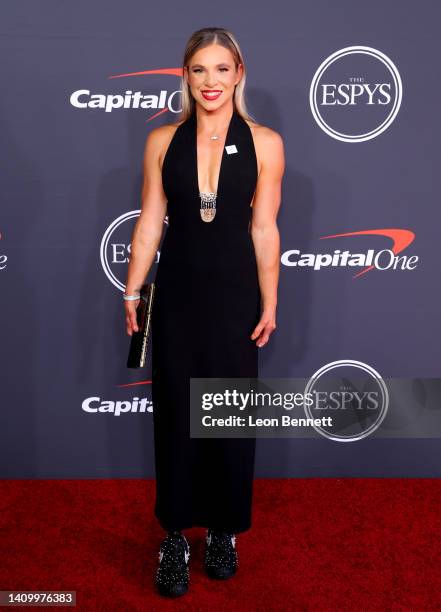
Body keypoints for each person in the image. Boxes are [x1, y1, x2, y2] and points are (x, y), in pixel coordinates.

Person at [124, 27, 285, 597]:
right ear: (185, 77)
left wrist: (269, 300)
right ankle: (173, 534)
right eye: (199, 70)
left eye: (221, 69)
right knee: (174, 412)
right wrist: (132, 291)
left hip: (237, 295)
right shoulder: (163, 141)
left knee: (229, 413)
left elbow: (264, 228)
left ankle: (223, 530)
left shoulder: (266, 142)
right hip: (179, 295)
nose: (210, 81)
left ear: (239, 73)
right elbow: (149, 223)